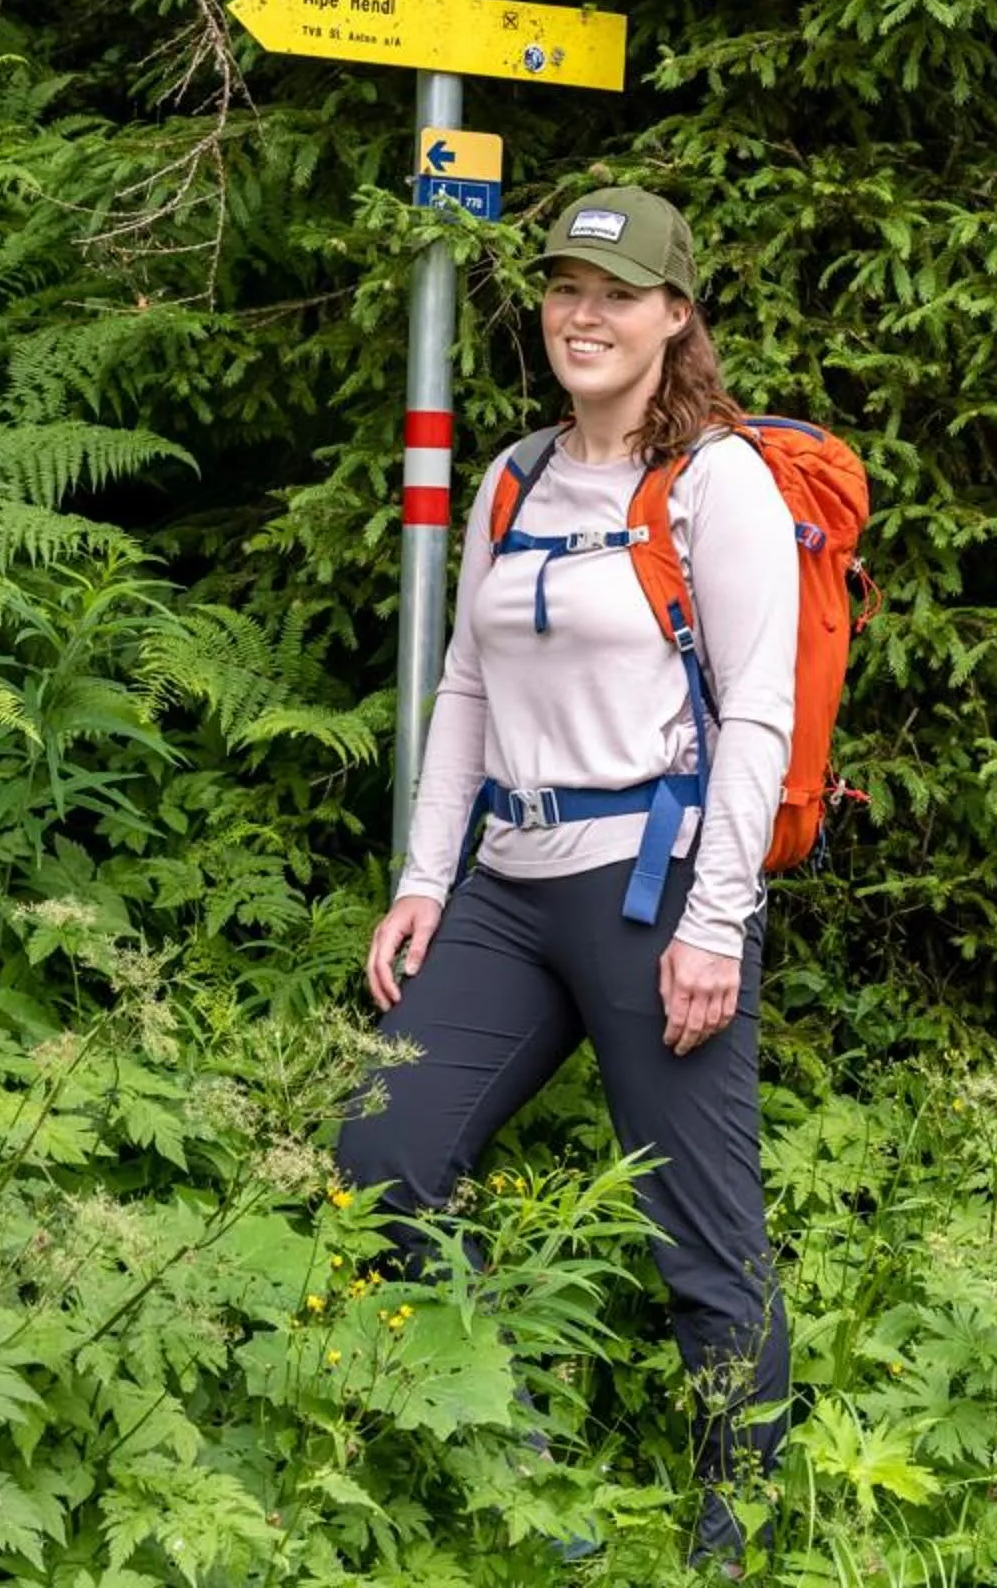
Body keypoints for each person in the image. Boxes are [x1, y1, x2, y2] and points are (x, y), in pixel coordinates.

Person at [336, 185, 798, 1569]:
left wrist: (717, 920)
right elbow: (469, 681)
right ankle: (521, 1466)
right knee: (385, 1156)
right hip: (508, 881)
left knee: (703, 1233)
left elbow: (760, 714)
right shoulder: (515, 478)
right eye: (562, 290)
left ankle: (740, 1530)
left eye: (615, 294)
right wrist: (427, 877)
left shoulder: (721, 482)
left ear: (673, 315)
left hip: (650, 890)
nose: (582, 316)